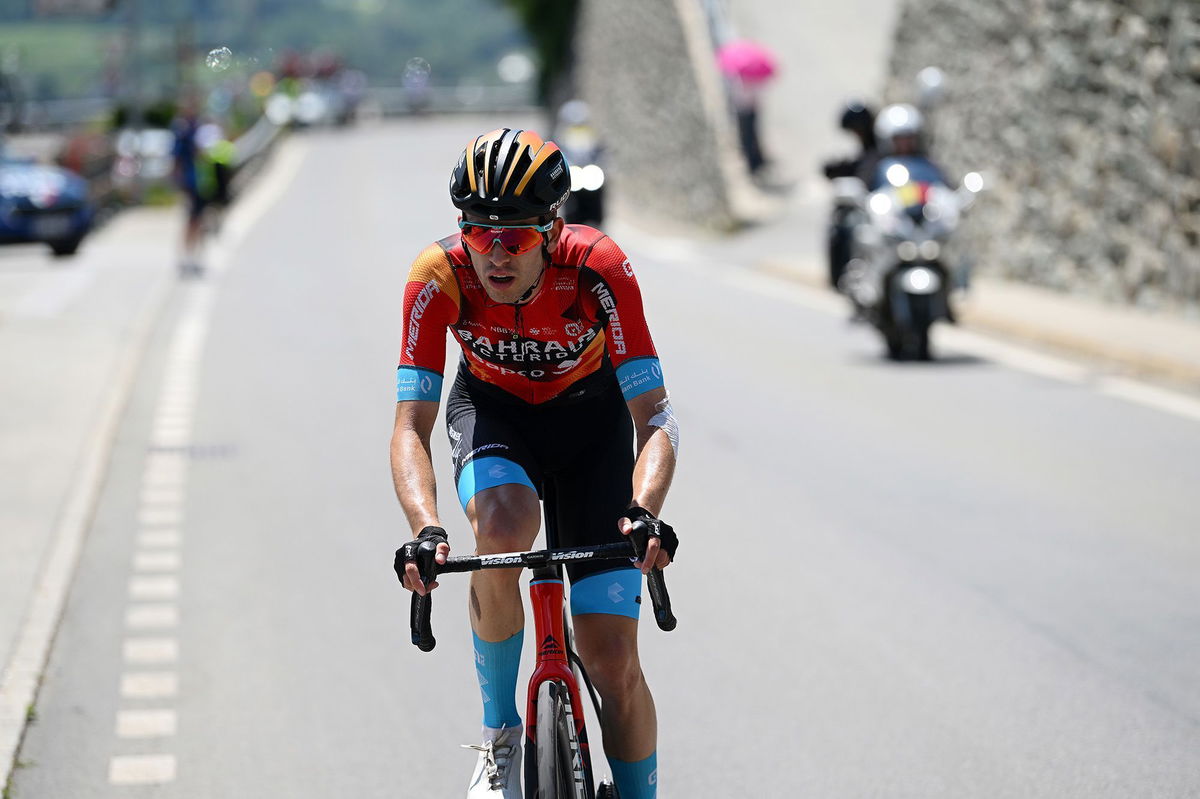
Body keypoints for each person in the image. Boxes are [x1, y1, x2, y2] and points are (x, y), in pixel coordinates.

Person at [391, 128, 680, 799]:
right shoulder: (437, 276)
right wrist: (427, 527)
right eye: (478, 233)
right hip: (496, 415)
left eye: (514, 237)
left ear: (551, 230)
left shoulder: (597, 267)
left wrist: (643, 513)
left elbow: (654, 416)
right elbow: (411, 425)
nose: (494, 253)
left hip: (592, 427)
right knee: (500, 522)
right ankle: (501, 740)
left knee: (613, 662)